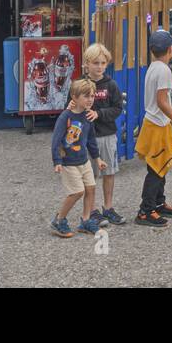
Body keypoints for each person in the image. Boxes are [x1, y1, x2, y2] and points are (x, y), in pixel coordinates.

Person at [134, 29, 172, 227]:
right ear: (171, 49)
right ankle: (145, 210)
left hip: (158, 123)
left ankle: (158, 202)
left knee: (161, 167)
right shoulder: (164, 70)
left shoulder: (155, 67)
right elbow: (162, 102)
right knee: (156, 170)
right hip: (158, 124)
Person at [50, 79, 109, 238]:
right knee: (77, 192)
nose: (90, 99)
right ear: (74, 97)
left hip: (84, 161)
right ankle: (59, 219)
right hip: (69, 163)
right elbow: (56, 139)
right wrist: (57, 161)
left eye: (92, 96)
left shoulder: (88, 116)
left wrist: (97, 159)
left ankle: (86, 220)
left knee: (91, 188)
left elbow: (91, 140)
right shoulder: (65, 117)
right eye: (86, 96)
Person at [83, 44, 127, 227]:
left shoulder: (111, 85)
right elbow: (71, 107)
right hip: (88, 137)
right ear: (87, 64)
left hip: (108, 135)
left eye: (103, 63)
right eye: (95, 63)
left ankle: (108, 208)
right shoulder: (81, 84)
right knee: (90, 176)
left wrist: (99, 114)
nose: (99, 66)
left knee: (109, 173)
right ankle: (91, 210)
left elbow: (118, 108)